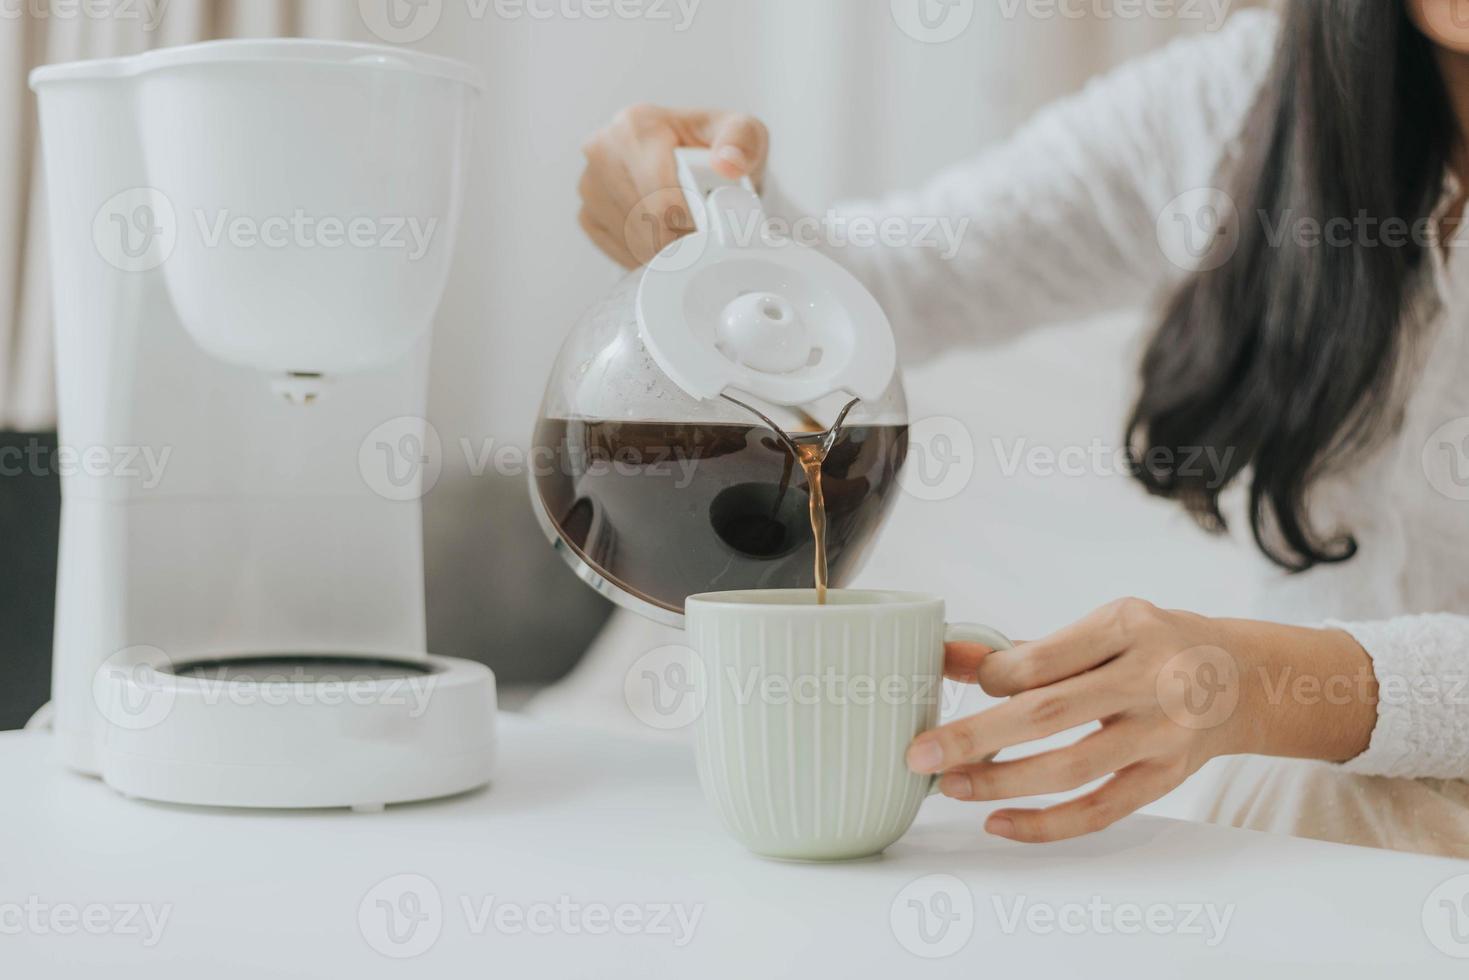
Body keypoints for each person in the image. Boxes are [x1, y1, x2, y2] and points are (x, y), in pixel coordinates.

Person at [574, 1, 1469, 858]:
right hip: (1289, 801)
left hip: (1303, 794)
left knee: (1301, 799)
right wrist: (715, 213)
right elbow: (890, 284)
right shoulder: (1237, 103)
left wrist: (1266, 684)